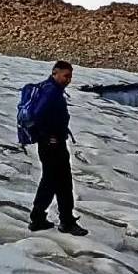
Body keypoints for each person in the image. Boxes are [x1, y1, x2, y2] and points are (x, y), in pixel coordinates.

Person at [28, 61, 88, 236]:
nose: (69, 80)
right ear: (55, 73)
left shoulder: (50, 89)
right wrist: (48, 136)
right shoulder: (51, 92)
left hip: (51, 144)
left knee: (51, 181)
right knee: (61, 182)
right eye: (66, 76)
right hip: (52, 145)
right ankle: (66, 221)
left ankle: (39, 218)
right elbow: (38, 115)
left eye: (70, 76)